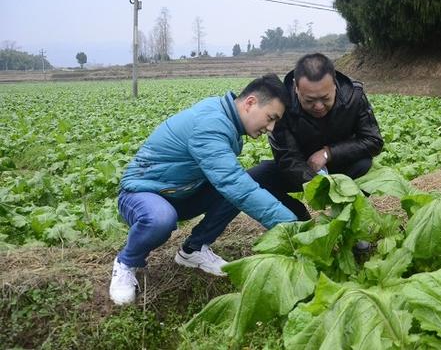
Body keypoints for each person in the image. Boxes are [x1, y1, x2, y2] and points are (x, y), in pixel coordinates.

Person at [109, 74, 297, 305]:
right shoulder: (211, 125)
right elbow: (235, 184)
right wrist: (290, 227)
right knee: (162, 218)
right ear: (250, 103)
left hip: (179, 192)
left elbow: (233, 184)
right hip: (141, 193)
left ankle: (193, 250)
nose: (270, 128)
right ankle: (127, 262)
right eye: (270, 118)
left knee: (234, 188)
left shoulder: (225, 118)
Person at [249, 53, 384, 220]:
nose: (319, 106)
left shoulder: (353, 96)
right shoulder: (282, 105)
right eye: (310, 100)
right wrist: (320, 185)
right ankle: (298, 216)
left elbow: (373, 141)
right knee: (256, 178)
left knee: (365, 165)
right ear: (296, 88)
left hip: (341, 165)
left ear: (334, 84)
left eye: (325, 98)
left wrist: (329, 153)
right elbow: (288, 158)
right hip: (300, 170)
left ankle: (351, 219)